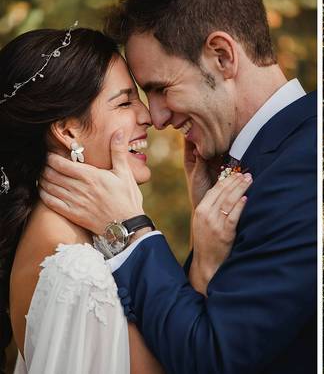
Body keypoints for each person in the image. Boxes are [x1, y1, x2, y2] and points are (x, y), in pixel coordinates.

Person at [39, 0, 317, 374]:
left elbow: (215, 358)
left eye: (161, 88)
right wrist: (202, 256)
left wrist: (130, 231)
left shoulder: (301, 170)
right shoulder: (265, 160)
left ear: (222, 56)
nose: (157, 117)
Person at [0, 26, 248, 373]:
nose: (147, 115)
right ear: (68, 129)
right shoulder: (77, 271)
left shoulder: (85, 240)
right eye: (125, 101)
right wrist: (205, 265)